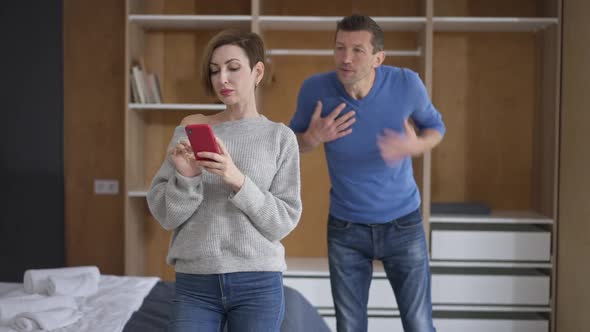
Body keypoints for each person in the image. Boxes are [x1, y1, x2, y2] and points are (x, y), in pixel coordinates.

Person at [289, 14, 445, 332]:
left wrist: (414, 147)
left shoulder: (406, 84)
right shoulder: (314, 90)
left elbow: (436, 128)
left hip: (404, 223)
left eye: (358, 50)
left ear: (378, 58)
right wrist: (311, 138)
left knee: (418, 323)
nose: (345, 59)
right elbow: (290, 144)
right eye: (339, 48)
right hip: (346, 229)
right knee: (350, 326)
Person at [147, 29, 302, 332]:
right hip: (195, 283)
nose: (222, 79)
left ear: (258, 71)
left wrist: (236, 179)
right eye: (215, 71)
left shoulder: (280, 137)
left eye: (233, 68)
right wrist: (187, 177)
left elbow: (283, 221)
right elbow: (166, 216)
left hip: (258, 282)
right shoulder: (189, 130)